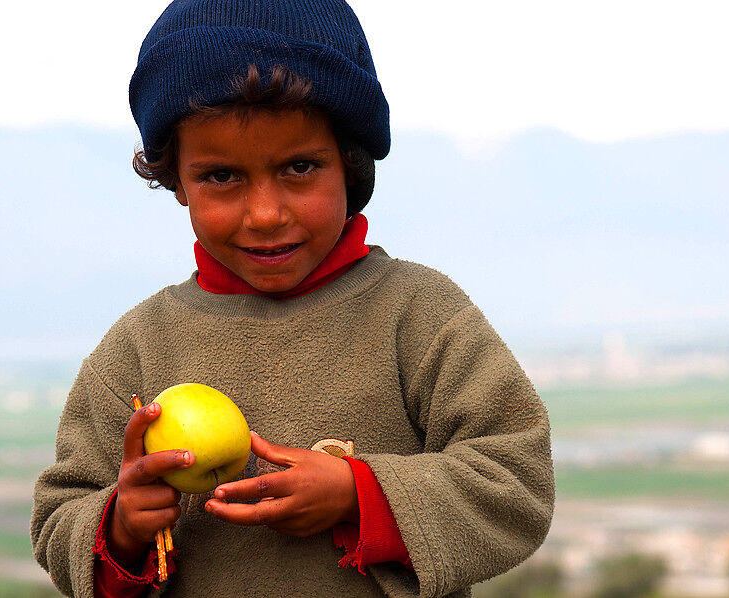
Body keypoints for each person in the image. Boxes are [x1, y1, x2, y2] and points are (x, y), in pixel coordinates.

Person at [30, 0, 555, 596]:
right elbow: (59, 516)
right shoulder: (139, 347)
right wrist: (121, 525)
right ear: (176, 180)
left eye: (300, 167)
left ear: (350, 166)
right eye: (222, 177)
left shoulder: (420, 314)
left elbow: (517, 480)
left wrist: (359, 495)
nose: (265, 213)